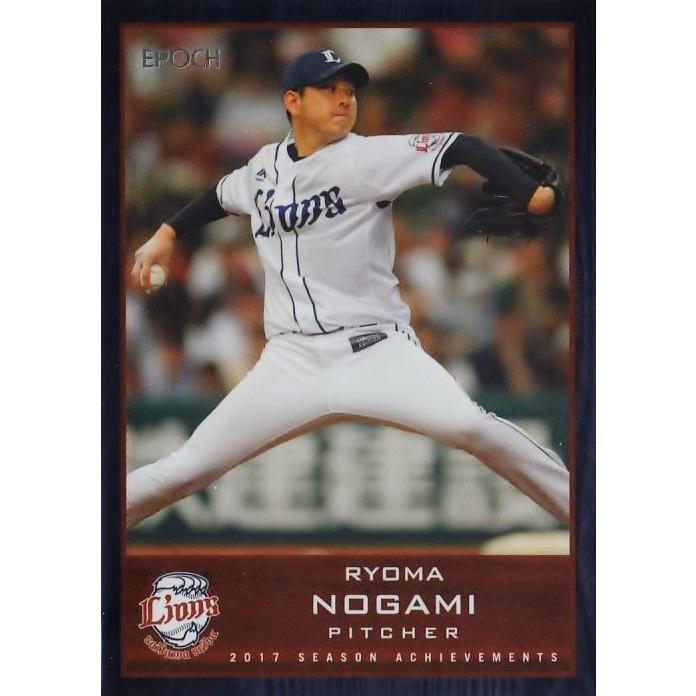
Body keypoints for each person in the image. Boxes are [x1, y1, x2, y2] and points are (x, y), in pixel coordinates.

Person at [127, 49, 569, 529]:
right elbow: (219, 196)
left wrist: (531, 194)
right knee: (188, 468)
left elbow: (461, 146)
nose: (344, 100)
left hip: (374, 350)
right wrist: (167, 233)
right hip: (290, 363)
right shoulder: (262, 168)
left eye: (350, 92)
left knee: (470, 426)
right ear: (293, 101)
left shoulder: (365, 158)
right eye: (329, 90)